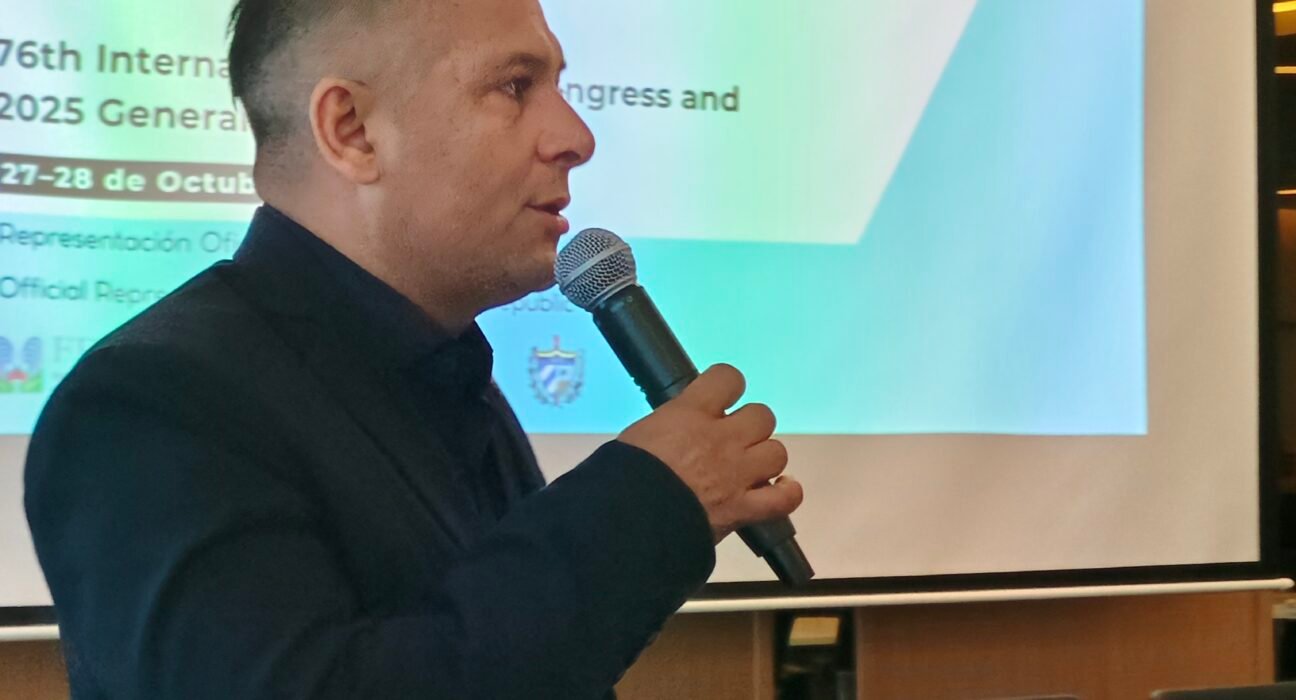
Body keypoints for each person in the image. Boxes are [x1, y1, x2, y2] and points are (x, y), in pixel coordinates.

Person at [23, 0, 804, 697]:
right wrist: (644, 506)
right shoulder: (153, 403)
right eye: (515, 86)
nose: (577, 137)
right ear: (352, 131)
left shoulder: (450, 378)